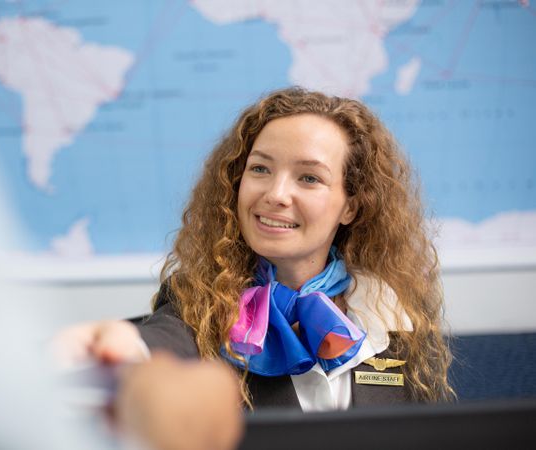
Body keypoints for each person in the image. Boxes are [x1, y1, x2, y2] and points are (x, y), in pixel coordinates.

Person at [54, 87, 454, 417]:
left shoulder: (389, 308)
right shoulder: (199, 301)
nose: (276, 195)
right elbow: (165, 341)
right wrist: (123, 346)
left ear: (351, 205)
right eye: (260, 169)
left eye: (309, 177)